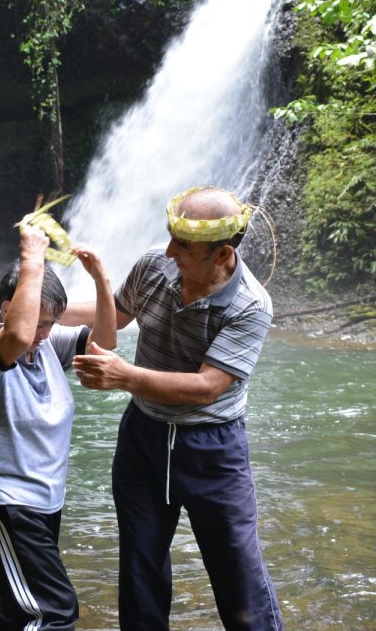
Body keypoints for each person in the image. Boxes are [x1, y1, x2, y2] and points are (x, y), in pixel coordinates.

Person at [64, 186, 282, 630]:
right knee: (140, 567)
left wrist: (125, 376)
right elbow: (117, 314)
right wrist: (41, 310)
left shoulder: (250, 306)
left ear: (222, 254)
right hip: (142, 438)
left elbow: (207, 387)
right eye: (170, 238)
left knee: (237, 572)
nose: (169, 251)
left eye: (182, 246)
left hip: (212, 450)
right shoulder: (154, 265)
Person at [0, 222, 117, 630]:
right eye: (38, 323)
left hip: (44, 499)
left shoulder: (48, 347)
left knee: (18, 605)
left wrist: (100, 278)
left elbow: (106, 341)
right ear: (7, 308)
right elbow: (18, 336)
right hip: (3, 497)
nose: (42, 334)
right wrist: (32, 257)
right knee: (52, 610)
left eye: (51, 324)